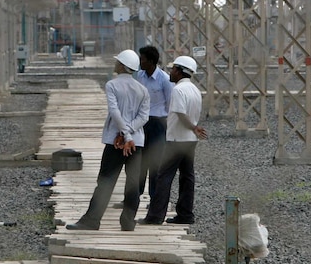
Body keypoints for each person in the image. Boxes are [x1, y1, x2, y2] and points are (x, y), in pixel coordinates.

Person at [66, 49, 150, 232]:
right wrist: (130, 134)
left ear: (122, 66)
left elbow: (115, 112)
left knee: (106, 181)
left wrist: (125, 136)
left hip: (117, 142)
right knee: (133, 184)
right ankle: (128, 222)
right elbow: (144, 117)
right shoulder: (143, 90)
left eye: (117, 61)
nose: (115, 64)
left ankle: (91, 220)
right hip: (137, 143)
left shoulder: (112, 85)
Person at [140, 55, 207, 225]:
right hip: (190, 141)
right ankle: (185, 215)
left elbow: (180, 113)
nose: (170, 72)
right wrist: (194, 129)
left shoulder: (178, 90)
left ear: (179, 71)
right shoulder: (195, 90)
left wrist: (193, 127)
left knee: (164, 177)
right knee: (187, 177)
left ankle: (155, 217)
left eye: (172, 69)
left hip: (177, 139)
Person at [135, 46, 173, 200]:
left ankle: (154, 199)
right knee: (138, 160)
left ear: (151, 61)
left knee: (155, 163)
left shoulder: (164, 79)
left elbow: (170, 103)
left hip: (158, 123)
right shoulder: (139, 76)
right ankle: (134, 196)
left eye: (142, 59)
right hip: (141, 122)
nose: (140, 62)